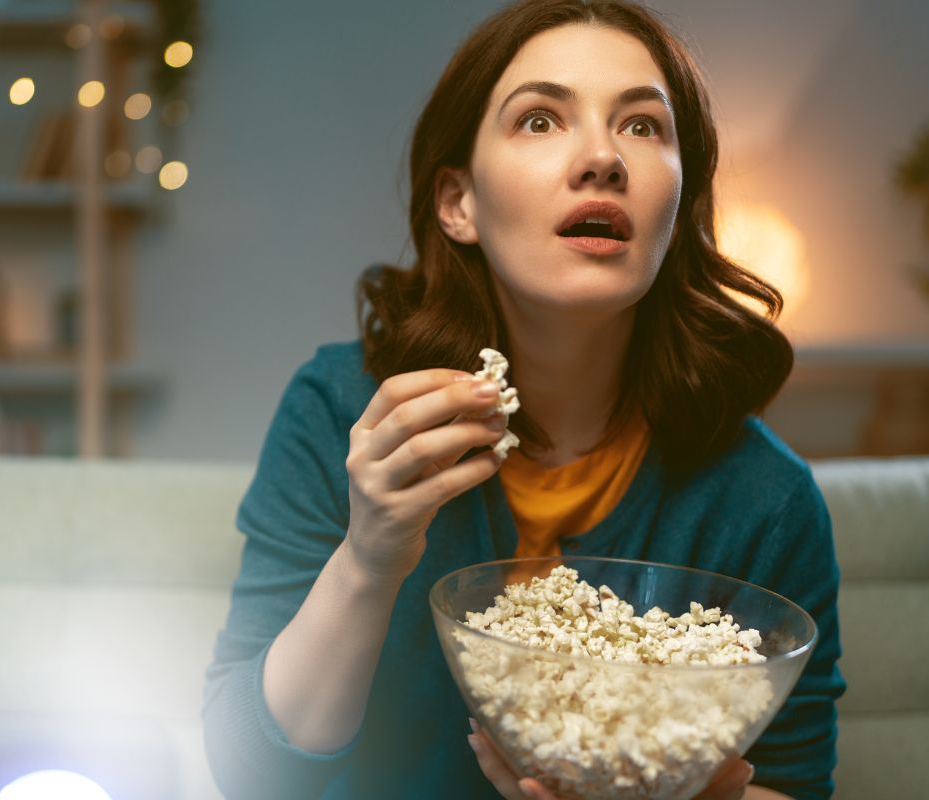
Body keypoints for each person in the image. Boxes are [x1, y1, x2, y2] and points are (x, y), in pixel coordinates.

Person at [202, 1, 845, 798]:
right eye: (540, 120)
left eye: (642, 126)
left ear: (679, 209)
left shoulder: (763, 499)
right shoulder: (342, 416)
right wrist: (368, 558)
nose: (602, 158)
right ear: (458, 203)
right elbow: (250, 777)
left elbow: (791, 782)